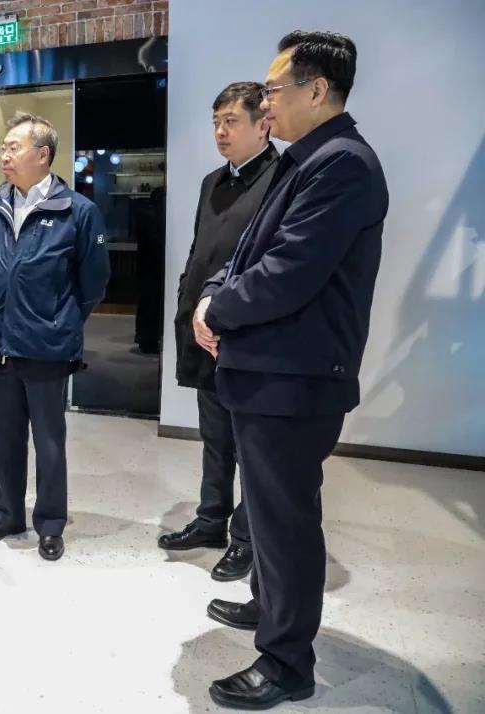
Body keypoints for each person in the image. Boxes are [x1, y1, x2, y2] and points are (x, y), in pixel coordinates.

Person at [193, 32, 388, 709]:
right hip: (272, 371)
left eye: (275, 89)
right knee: (269, 514)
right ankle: (268, 606)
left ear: (317, 89)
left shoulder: (343, 165)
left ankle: (285, 663)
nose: (266, 102)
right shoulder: (307, 160)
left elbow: (287, 273)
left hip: (296, 375)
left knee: (286, 521)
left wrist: (217, 310)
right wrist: (213, 292)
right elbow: (245, 250)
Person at [0, 113, 110, 562]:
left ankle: (50, 523)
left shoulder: (77, 211)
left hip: (48, 346)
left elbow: (94, 282)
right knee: (4, 438)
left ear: (43, 155)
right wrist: (5, 311)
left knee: (49, 441)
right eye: (4, 147)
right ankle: (6, 514)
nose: (4, 155)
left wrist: (58, 318)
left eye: (14, 147)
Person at [159, 81, 279, 582]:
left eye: (231, 121)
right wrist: (186, 298)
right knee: (215, 437)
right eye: (215, 122)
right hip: (202, 327)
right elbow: (200, 250)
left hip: (246, 332)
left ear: (263, 123)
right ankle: (211, 520)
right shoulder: (213, 181)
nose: (220, 132)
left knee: (252, 445)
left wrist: (225, 312)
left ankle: (247, 539)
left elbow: (270, 266)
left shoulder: (281, 180)